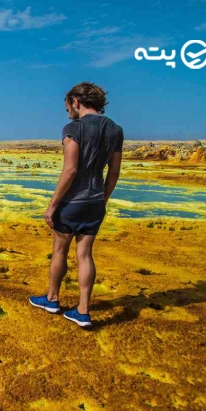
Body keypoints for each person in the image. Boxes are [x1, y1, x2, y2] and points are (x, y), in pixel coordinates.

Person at [28, 82, 124, 328]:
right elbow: (113, 173)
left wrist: (52, 205)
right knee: (85, 254)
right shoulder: (115, 130)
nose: (67, 112)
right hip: (95, 202)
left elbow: (70, 170)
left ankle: (52, 299)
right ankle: (82, 311)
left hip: (72, 201)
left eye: (68, 106)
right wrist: (102, 198)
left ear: (75, 102)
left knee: (60, 250)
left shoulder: (74, 128)